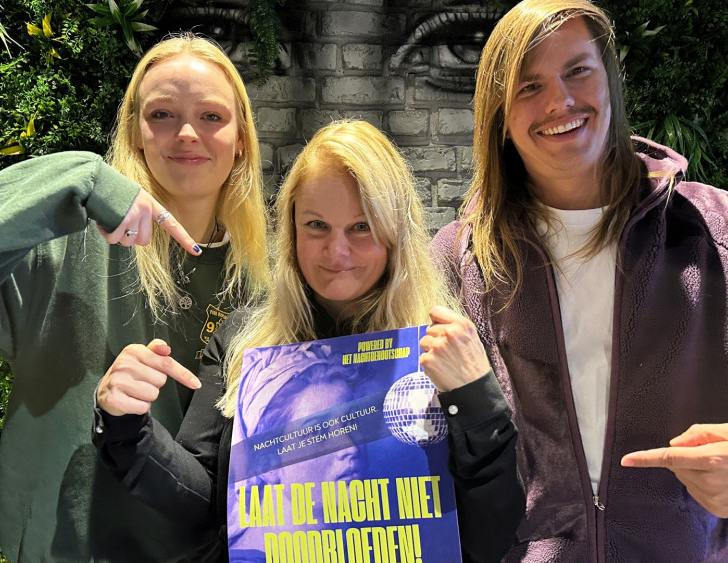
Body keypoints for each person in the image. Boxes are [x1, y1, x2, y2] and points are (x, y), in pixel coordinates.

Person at [431, 0, 728, 561]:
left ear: (610, 79)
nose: (559, 101)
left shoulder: (720, 232)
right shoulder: (461, 258)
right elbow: (405, 422)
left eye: (577, 70)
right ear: (499, 115)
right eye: (528, 86)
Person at [0, 35, 269, 562]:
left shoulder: (267, 278)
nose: (187, 133)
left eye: (212, 116)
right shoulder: (64, 248)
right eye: (162, 113)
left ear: (241, 141)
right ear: (135, 134)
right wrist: (76, 178)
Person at [93, 119, 526, 562]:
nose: (336, 253)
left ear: (397, 232)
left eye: (362, 227)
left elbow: (490, 539)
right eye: (317, 225)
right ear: (292, 229)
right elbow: (201, 506)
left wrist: (477, 400)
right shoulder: (244, 346)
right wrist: (126, 424)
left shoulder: (441, 348)